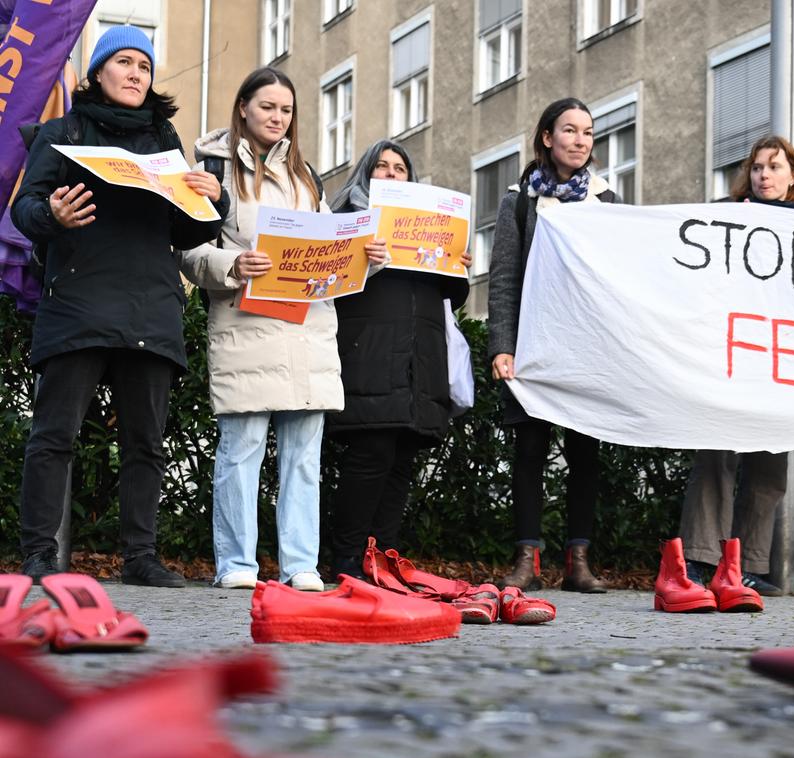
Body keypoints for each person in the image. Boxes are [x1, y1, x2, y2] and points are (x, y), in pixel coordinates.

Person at [12, 25, 226, 586]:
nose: (136, 74)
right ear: (99, 71)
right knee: (53, 436)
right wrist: (51, 217)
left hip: (150, 309)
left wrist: (212, 200)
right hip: (78, 303)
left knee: (145, 444)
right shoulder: (62, 133)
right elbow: (24, 209)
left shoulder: (167, 141)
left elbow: (186, 232)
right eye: (125, 62)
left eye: (145, 67)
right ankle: (38, 552)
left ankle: (141, 557)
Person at [179, 68, 341, 591]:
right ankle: (237, 565)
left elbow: (330, 253)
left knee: (303, 461)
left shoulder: (308, 177)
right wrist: (231, 266)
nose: (278, 117)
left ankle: (301, 566)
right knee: (241, 452)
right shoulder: (212, 170)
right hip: (245, 329)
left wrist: (369, 259)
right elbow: (186, 249)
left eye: (287, 110)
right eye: (268, 106)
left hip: (307, 334)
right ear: (243, 107)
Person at [488, 97, 616, 593]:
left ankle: (579, 562)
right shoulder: (519, 201)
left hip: (585, 347)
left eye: (588, 132)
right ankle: (527, 560)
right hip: (532, 346)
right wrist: (502, 344)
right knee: (530, 451)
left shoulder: (607, 202)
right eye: (569, 130)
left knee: (586, 453)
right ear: (547, 137)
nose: (581, 140)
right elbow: (503, 279)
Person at [326, 140, 470, 579]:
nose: (391, 174)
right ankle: (347, 557)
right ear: (366, 175)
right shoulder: (346, 221)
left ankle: (385, 558)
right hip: (368, 353)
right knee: (370, 453)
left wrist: (457, 264)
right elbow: (329, 283)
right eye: (382, 167)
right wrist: (360, 254)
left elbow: (452, 297)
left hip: (419, 359)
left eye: (400, 168)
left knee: (402, 459)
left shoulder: (431, 225)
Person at [678, 134, 794, 597]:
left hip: (781, 360)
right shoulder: (725, 220)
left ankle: (748, 565)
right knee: (716, 455)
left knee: (768, 467)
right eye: (757, 168)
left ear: (793, 176)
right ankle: (700, 560)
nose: (764, 175)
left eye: (774, 167)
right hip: (731, 354)